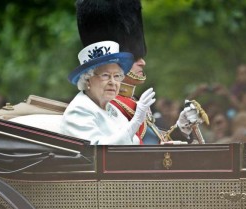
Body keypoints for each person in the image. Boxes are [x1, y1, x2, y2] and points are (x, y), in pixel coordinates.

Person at [75, 0, 207, 145]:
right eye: (134, 58)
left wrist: (182, 129)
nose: (142, 62)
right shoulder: (108, 103)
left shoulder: (132, 101)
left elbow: (153, 142)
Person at [60, 40, 156, 145]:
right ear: (88, 80)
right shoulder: (79, 110)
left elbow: (134, 144)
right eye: (105, 75)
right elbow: (99, 151)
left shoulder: (111, 108)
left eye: (117, 76)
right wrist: (136, 121)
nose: (113, 82)